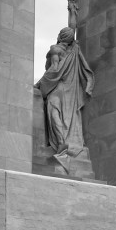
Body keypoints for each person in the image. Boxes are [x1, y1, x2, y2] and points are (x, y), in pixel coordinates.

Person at [34, 27, 94, 159]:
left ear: (60, 36)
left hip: (57, 87)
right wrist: (73, 10)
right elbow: (73, 27)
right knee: (64, 116)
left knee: (53, 112)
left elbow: (54, 70)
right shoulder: (74, 50)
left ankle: (61, 142)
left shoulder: (56, 50)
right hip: (69, 90)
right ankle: (64, 142)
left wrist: (39, 84)